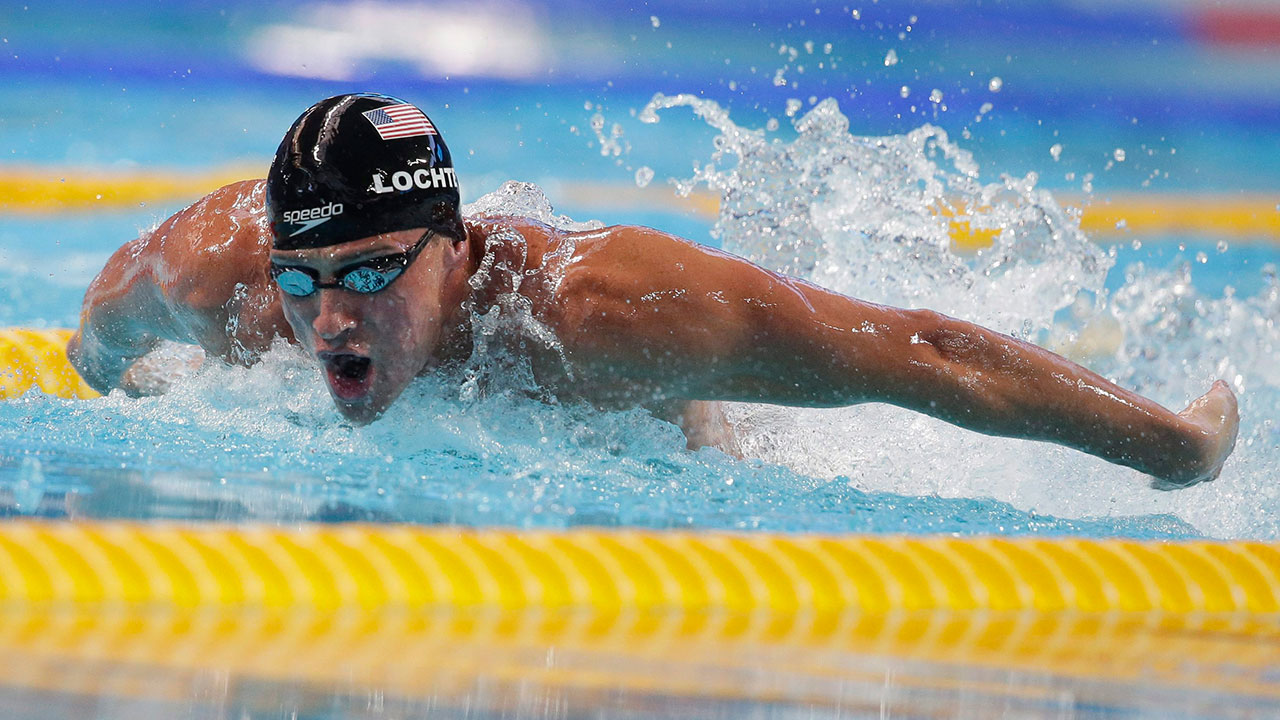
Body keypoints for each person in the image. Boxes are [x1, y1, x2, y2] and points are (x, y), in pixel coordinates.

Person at [67, 93, 1239, 488]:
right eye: (306, 278)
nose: (329, 320)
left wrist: (1173, 449)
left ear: (457, 245)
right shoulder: (216, 277)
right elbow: (97, 343)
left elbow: (921, 353)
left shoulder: (603, 315)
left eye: (373, 272)